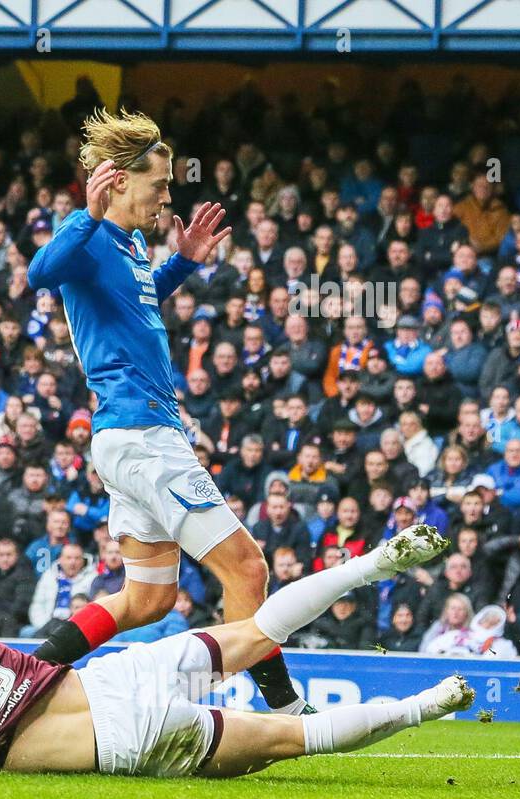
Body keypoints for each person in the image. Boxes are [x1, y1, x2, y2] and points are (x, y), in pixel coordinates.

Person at [24, 107, 309, 714]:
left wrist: (183, 262)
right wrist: (87, 211)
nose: (168, 195)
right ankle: (283, 710)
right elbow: (38, 272)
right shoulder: (92, 236)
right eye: (160, 184)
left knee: (147, 600)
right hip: (143, 434)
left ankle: (24, 679)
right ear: (119, 181)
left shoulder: (126, 244)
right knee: (247, 569)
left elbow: (136, 301)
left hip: (131, 436)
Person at [0, 525, 472, 777]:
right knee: (255, 633)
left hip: (130, 736)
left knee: (287, 741)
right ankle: (370, 564)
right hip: (120, 676)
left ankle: (428, 704)